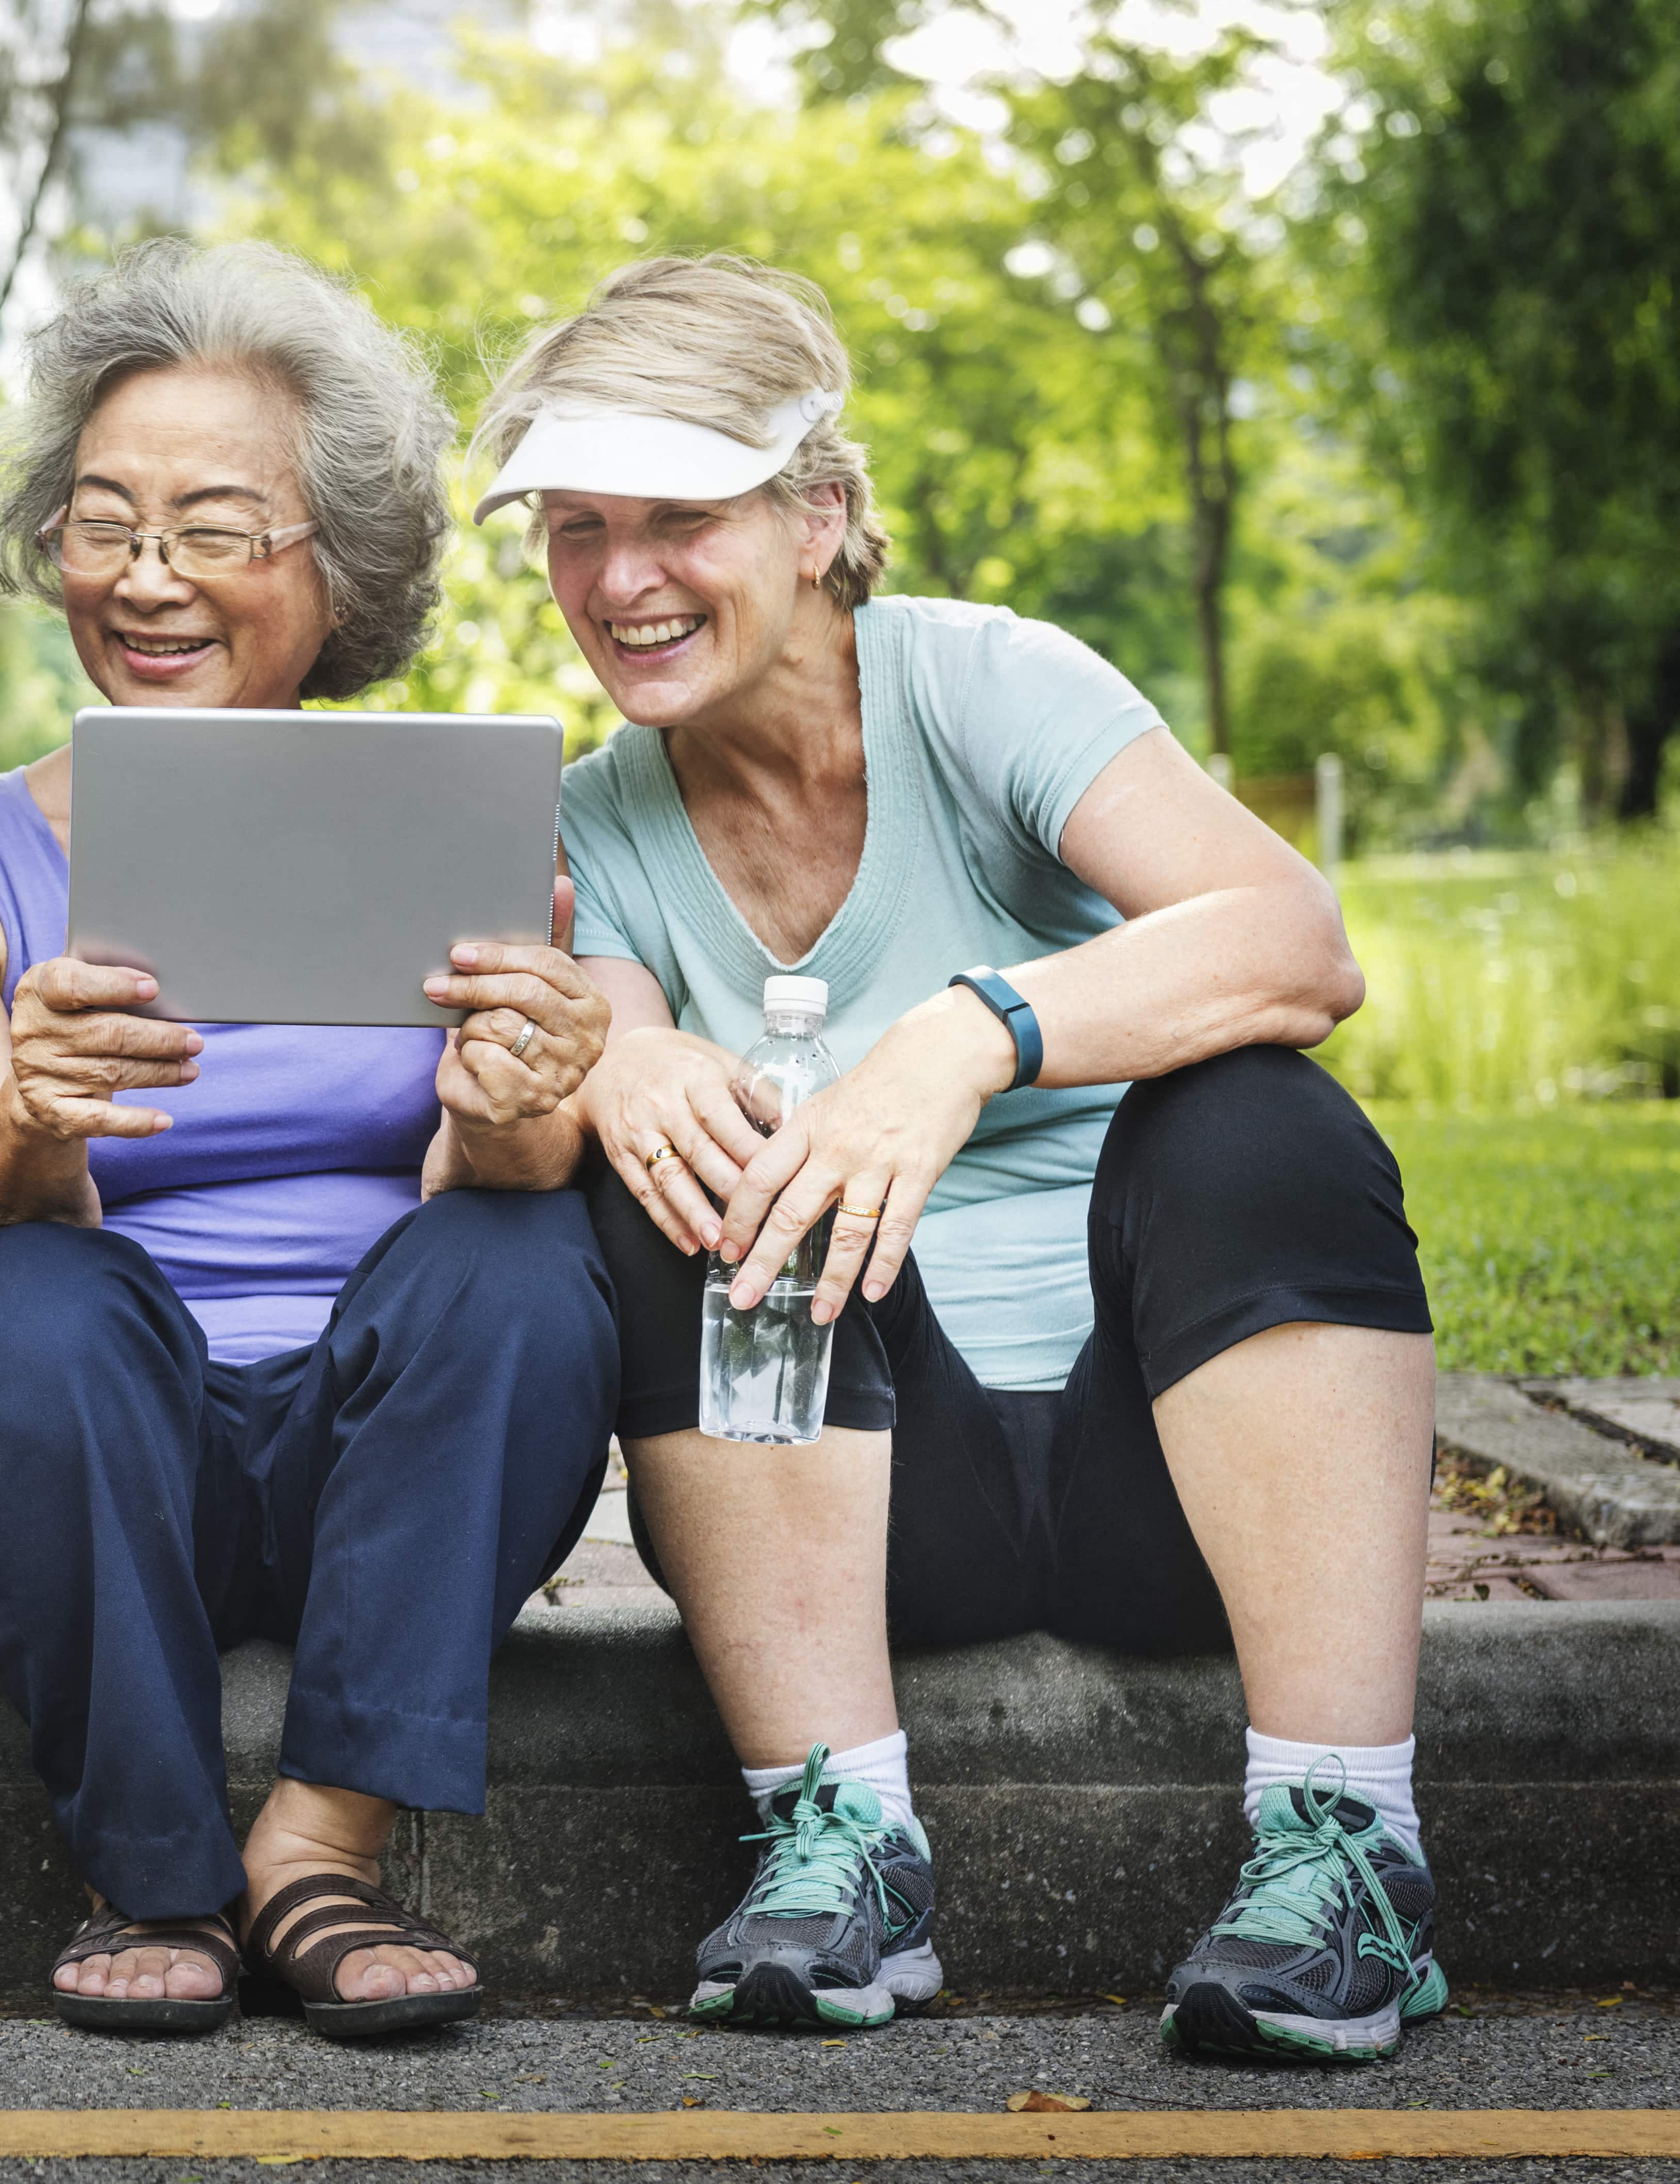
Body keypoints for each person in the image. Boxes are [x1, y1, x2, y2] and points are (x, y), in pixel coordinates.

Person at [479, 255, 1442, 2063]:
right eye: (574, 525)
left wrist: (961, 1032)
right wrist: (621, 1056)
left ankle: (1346, 1849)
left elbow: (1295, 939)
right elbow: (601, 1041)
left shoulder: (980, 682)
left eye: (678, 514)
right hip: (862, 1509)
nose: (618, 579)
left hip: (1169, 1465)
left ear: (818, 511)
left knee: (1262, 1112)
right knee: (688, 1152)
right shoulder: (589, 819)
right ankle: (836, 1835)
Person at [0, 240, 619, 2039]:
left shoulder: (452, 812)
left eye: (216, 529)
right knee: (27, 1293)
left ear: (336, 567)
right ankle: (147, 1867)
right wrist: (37, 1128)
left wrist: (508, 1118)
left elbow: (497, 1215)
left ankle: (319, 1845)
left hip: (378, 1466)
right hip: (92, 1456)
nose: (147, 579)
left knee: (528, 1257)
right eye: (104, 522)